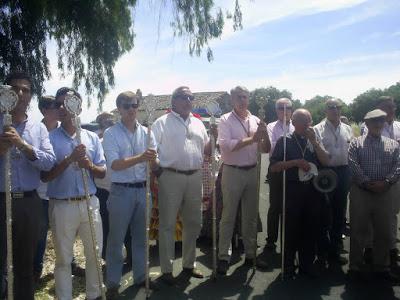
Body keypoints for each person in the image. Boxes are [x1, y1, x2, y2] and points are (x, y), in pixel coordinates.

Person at [42, 87, 106, 300]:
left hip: (90, 202)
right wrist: (69, 160)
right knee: (63, 260)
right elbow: (45, 176)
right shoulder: (49, 138)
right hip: (62, 204)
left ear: (78, 105)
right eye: (58, 104)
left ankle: (94, 295)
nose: (61, 107)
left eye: (67, 102)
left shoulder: (91, 137)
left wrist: (88, 165)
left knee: (94, 255)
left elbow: (102, 170)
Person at [0, 72, 56, 300]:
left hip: (29, 203)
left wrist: (23, 146)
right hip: (1, 200)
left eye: (26, 89)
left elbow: (49, 162)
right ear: (6, 92)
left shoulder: (38, 128)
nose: (21, 93)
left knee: (25, 262)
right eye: (15, 88)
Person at [152, 86, 211, 285]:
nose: (188, 100)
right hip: (170, 176)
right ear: (173, 100)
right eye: (183, 97)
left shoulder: (198, 122)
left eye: (190, 97)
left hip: (194, 177)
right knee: (167, 225)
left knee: (193, 224)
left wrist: (216, 136)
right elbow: (151, 150)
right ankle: (167, 270)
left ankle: (189, 264)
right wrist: (158, 171)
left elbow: (207, 147)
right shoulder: (161, 122)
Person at [103, 91, 157, 297]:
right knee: (116, 239)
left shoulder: (147, 132)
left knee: (141, 238)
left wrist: (154, 160)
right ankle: (113, 283)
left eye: (134, 104)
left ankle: (141, 276)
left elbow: (154, 163)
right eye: (126, 105)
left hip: (143, 190)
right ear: (119, 108)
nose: (131, 109)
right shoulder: (111, 133)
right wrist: (142, 156)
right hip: (121, 192)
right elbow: (114, 165)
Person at [217, 86, 271, 275]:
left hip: (252, 171)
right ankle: (223, 256)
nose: (242, 100)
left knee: (250, 217)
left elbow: (265, 149)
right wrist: (253, 138)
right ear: (232, 100)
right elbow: (226, 146)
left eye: (245, 97)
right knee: (228, 216)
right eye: (239, 97)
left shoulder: (257, 120)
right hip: (232, 171)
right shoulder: (225, 120)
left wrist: (264, 136)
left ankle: (250, 254)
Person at [269, 109, 329, 279]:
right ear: (294, 123)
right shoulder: (285, 141)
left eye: (309, 120)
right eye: (304, 121)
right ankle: (288, 264)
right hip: (292, 191)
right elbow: (273, 167)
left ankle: (306, 264)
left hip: (312, 191)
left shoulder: (314, 140)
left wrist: (315, 143)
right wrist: (295, 162)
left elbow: (326, 161)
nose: (308, 124)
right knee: (291, 230)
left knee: (310, 228)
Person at [348, 109, 400, 282]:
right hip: (361, 191)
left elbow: (398, 166)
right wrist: (366, 182)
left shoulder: (393, 144)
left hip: (385, 192)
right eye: (374, 122)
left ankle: (382, 265)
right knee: (358, 230)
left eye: (381, 121)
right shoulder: (356, 143)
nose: (378, 124)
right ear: (367, 124)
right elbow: (353, 164)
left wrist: (386, 182)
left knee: (383, 231)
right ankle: (355, 265)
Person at [361, 96, 400, 272]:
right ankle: (370, 249)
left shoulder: (399, 126)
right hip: (377, 179)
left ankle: (391, 249)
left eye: (392, 107)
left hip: (395, 177)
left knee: (392, 215)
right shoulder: (368, 126)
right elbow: (368, 151)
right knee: (373, 215)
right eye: (386, 107)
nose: (390, 111)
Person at [313, 98, 353, 266]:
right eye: (331, 107)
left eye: (338, 107)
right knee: (324, 214)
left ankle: (335, 251)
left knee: (339, 213)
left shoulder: (348, 129)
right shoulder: (317, 129)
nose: (335, 110)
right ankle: (321, 253)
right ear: (326, 111)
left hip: (344, 172)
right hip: (326, 174)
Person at [33, 95, 60, 282]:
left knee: (62, 232)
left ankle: (70, 263)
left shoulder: (64, 130)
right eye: (55, 106)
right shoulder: (35, 131)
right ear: (43, 110)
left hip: (61, 192)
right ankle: (36, 269)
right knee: (41, 234)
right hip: (41, 193)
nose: (60, 109)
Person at [265, 98, 295, 250]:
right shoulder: (271, 126)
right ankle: (271, 240)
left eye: (288, 108)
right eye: (281, 108)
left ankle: (290, 238)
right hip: (276, 169)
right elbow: (271, 147)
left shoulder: (297, 125)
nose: (285, 111)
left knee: (291, 206)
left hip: (294, 171)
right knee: (275, 206)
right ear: (276, 110)